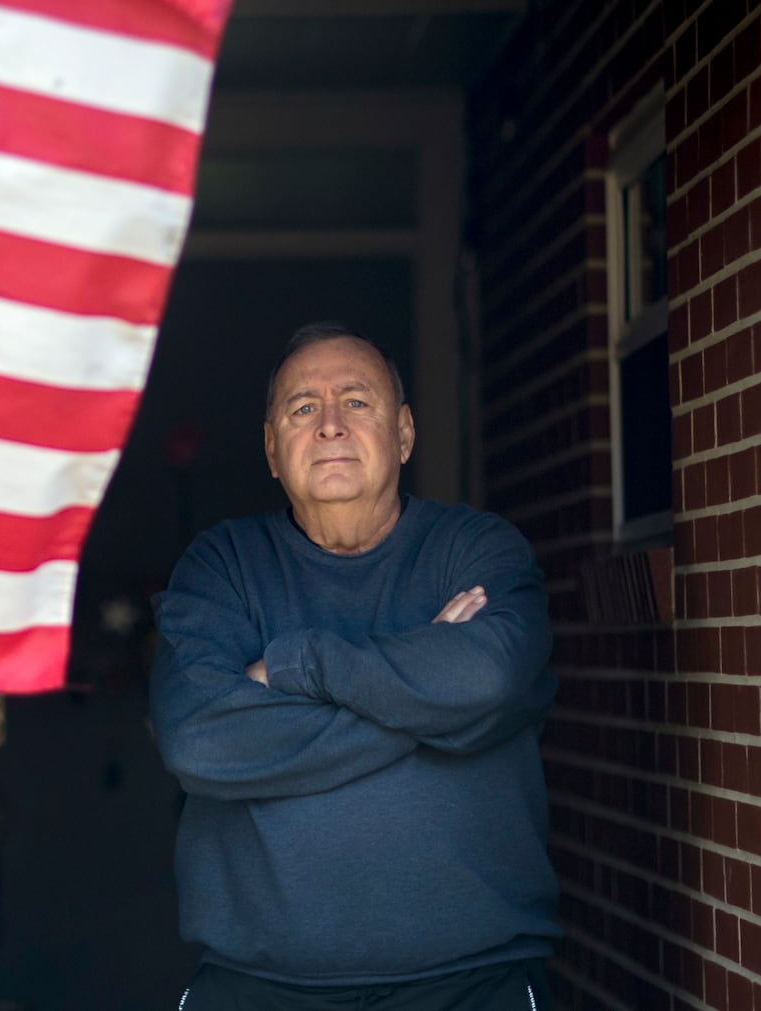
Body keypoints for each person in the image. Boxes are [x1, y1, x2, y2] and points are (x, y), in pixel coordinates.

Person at [149, 322, 561, 1010]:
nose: (331, 425)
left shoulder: (477, 548)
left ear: (403, 434)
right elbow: (197, 738)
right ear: (272, 449)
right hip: (257, 992)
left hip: (472, 985)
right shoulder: (223, 566)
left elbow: (485, 679)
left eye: (357, 402)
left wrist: (291, 664)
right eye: (303, 408)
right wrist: (427, 701)